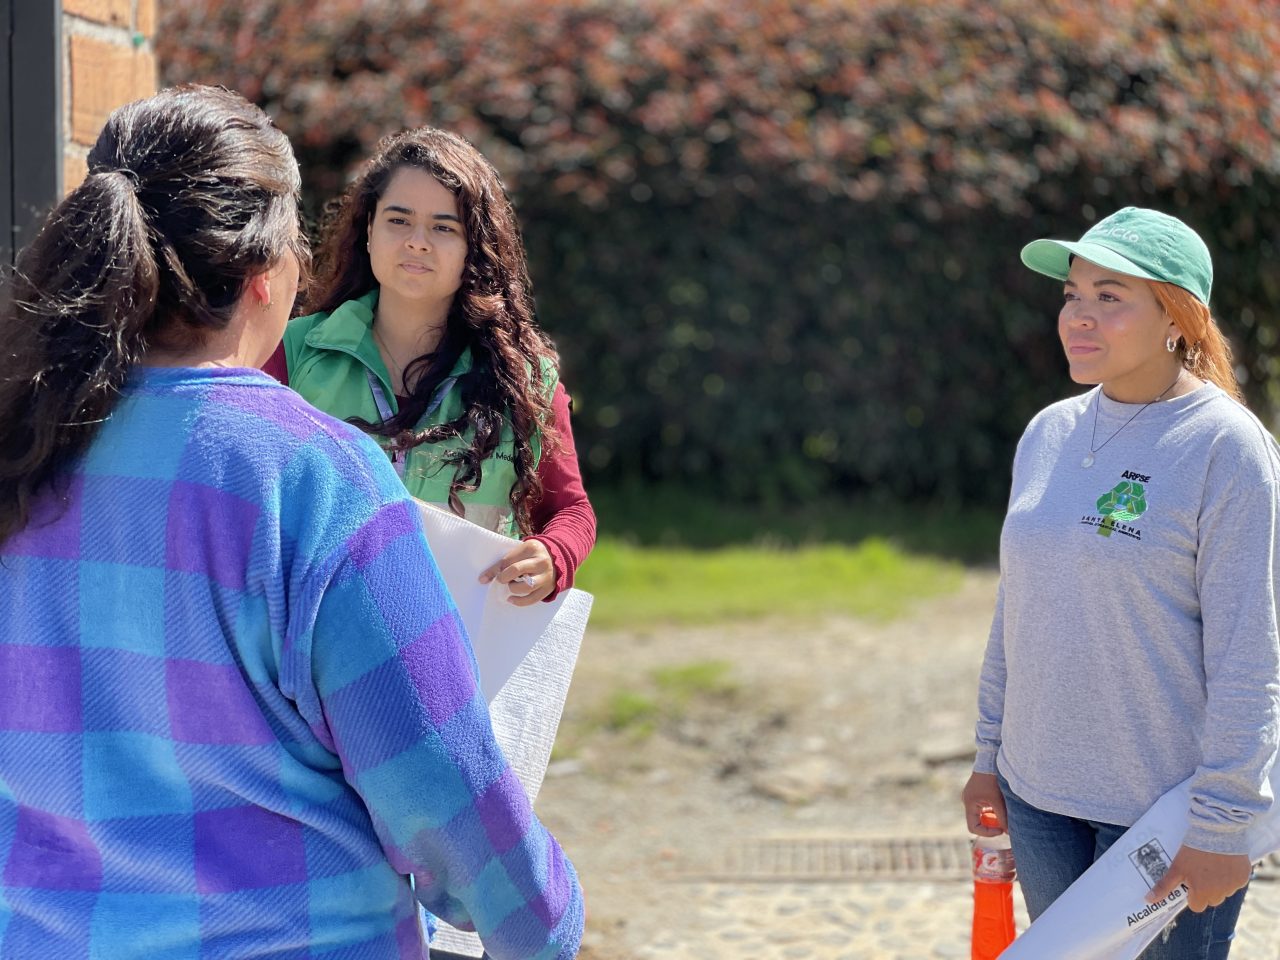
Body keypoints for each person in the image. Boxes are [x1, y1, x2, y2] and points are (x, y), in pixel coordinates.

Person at [0, 85, 583, 960]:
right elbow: (441, 786)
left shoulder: (21, 449)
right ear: (269, 273)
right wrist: (546, 921)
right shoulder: (318, 477)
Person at [962, 207, 1280, 958]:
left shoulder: (1226, 448)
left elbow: (1250, 654)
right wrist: (987, 758)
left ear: (1178, 318)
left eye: (1111, 297)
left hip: (1162, 820)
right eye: (1073, 295)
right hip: (1038, 799)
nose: (1079, 317)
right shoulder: (1048, 431)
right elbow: (1019, 611)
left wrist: (1221, 826)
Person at [265, 126, 595, 607]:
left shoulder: (524, 378)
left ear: (474, 248)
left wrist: (553, 554)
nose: (418, 242)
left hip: (463, 648)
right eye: (399, 220)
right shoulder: (291, 352)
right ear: (369, 232)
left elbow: (571, 510)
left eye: (444, 227)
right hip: (321, 644)